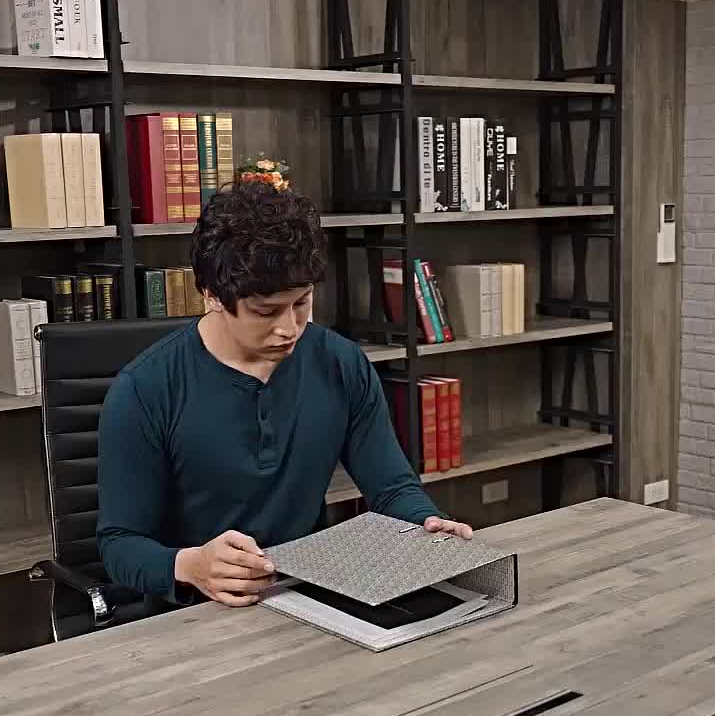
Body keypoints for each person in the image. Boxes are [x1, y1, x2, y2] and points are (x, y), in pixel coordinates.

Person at [97, 179, 471, 607]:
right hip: (196, 612)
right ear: (212, 295)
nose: (289, 328)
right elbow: (119, 544)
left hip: (311, 594)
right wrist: (190, 565)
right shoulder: (144, 390)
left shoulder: (341, 363)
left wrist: (426, 523)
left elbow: (391, 488)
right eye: (266, 311)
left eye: (301, 303)